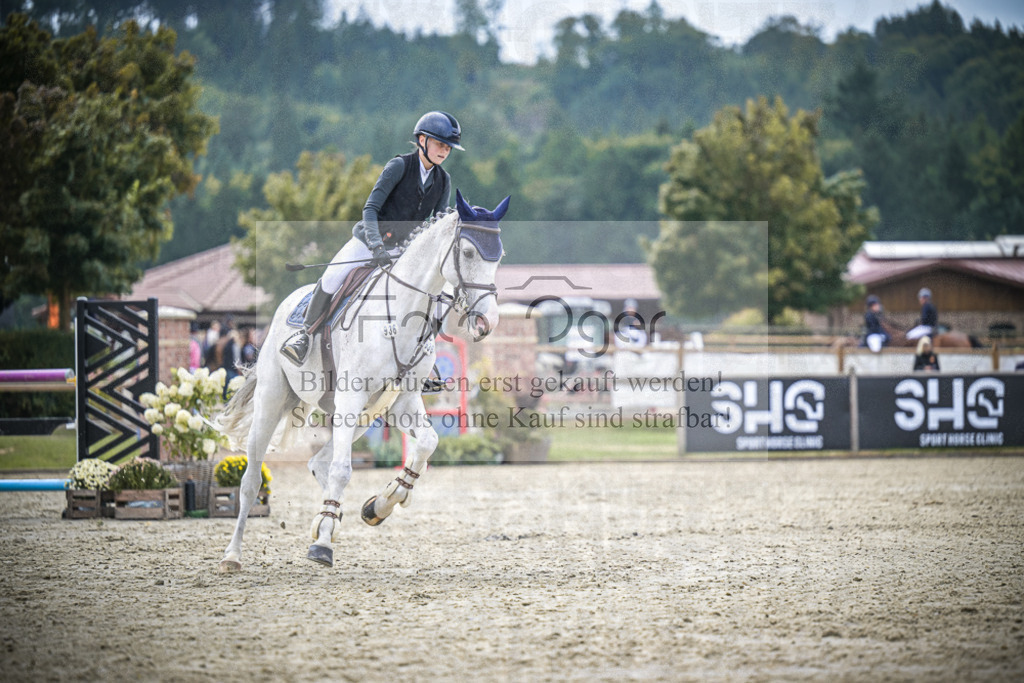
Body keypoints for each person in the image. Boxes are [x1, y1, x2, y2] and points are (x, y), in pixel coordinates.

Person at [281, 111, 463, 365]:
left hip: (405, 252)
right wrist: (376, 245)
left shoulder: (443, 180)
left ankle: (420, 357)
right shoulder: (399, 166)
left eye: (448, 147)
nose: (445, 151)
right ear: (422, 140)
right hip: (369, 242)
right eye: (440, 144)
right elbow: (370, 209)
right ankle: (304, 336)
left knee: (440, 297)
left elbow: (438, 223)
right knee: (332, 277)